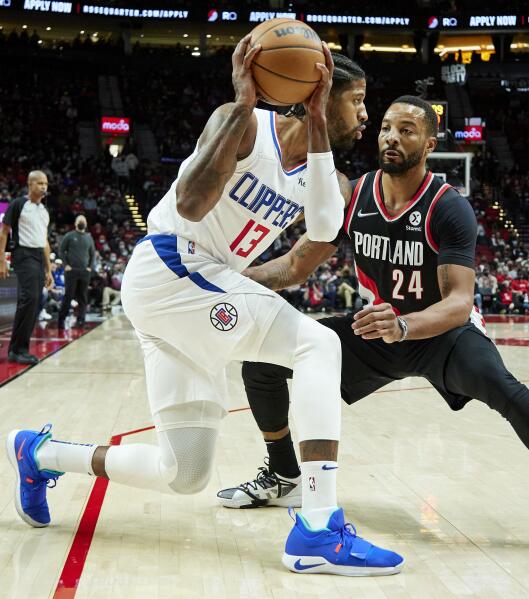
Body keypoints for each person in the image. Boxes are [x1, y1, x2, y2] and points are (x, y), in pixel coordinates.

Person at [6, 40, 403, 577]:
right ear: (318, 92)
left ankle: (41, 454)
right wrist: (243, 103)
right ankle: (318, 525)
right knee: (319, 342)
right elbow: (191, 203)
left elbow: (315, 243)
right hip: (171, 266)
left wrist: (238, 285)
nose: (364, 116)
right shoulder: (241, 125)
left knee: (184, 472)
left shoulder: (328, 175)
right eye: (356, 100)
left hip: (199, 290)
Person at [217, 96, 529, 515]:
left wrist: (403, 325)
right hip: (373, 331)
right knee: (261, 364)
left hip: (443, 336)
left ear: (430, 144)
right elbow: (295, 264)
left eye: (407, 130)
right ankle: (285, 475)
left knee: (508, 393)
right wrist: (228, 279)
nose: (392, 138)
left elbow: (458, 303)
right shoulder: (356, 194)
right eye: (386, 128)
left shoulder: (448, 206)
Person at [0, 171, 52, 364]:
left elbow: (45, 242)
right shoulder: (18, 204)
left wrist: (49, 270)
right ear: (30, 185)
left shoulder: (44, 211)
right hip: (23, 254)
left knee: (35, 301)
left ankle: (19, 348)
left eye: (45, 183)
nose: (44, 187)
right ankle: (17, 350)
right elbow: (4, 232)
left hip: (39, 256)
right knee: (29, 298)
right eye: (39, 183)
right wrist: (2, 260)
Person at [58, 215, 95, 329]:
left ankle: (81, 320)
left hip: (84, 272)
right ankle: (61, 319)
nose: (81, 222)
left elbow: (92, 254)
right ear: (75, 223)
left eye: (83, 220)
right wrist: (66, 265)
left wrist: (89, 267)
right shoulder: (69, 236)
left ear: (86, 223)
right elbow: (61, 250)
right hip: (71, 271)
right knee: (68, 296)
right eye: (80, 220)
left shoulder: (89, 238)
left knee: (83, 297)